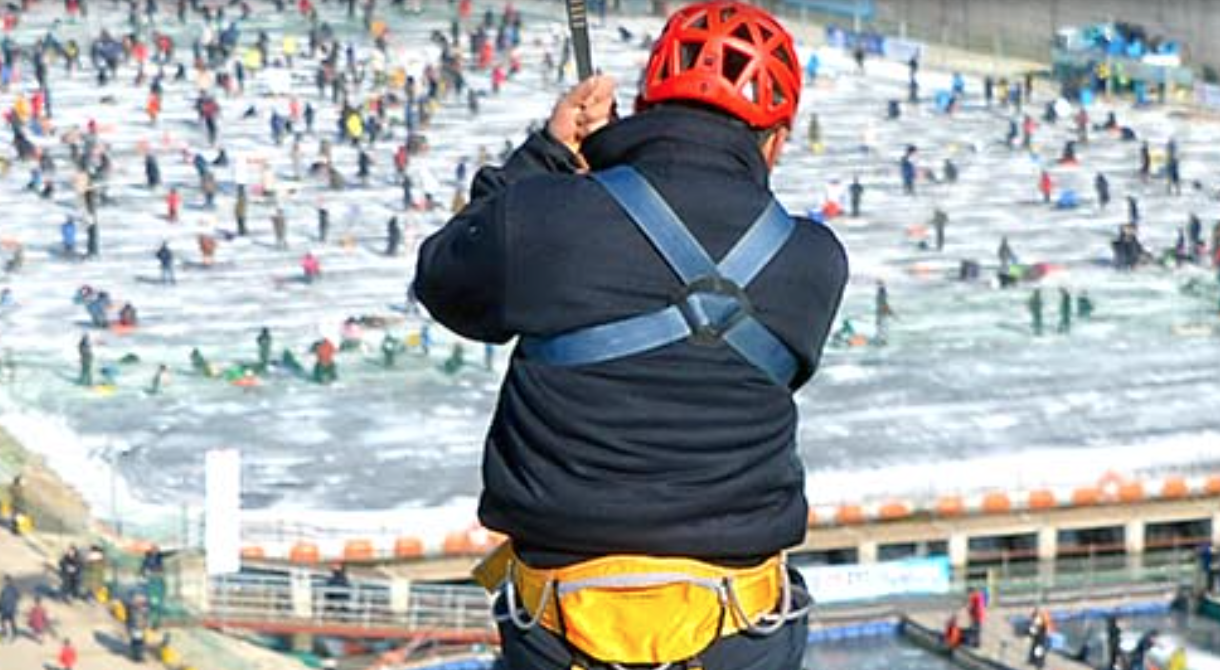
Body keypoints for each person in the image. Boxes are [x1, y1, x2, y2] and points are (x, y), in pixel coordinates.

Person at [416, 4, 846, 669]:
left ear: (647, 102)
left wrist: (550, 159)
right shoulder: (813, 262)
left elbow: (444, 280)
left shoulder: (545, 220)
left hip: (560, 626)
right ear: (777, 140)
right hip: (739, 626)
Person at [0, 575, 18, 642]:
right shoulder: (12, 588)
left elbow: (3, 599)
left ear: (8, 581)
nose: (3, 582)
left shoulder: (6, 589)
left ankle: (8, 633)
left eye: (4, 581)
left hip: (7, 608)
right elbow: (17, 596)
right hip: (9, 608)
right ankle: (13, 632)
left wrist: (1, 607)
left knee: (5, 620)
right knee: (9, 620)